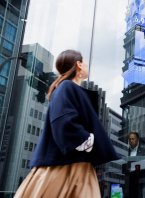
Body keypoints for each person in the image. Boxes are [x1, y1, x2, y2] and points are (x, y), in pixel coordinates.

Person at [14, 50, 120, 198]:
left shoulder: (67, 88)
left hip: (76, 165)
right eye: (85, 62)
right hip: (65, 167)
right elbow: (63, 122)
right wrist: (89, 140)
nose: (87, 65)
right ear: (78, 64)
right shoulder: (66, 87)